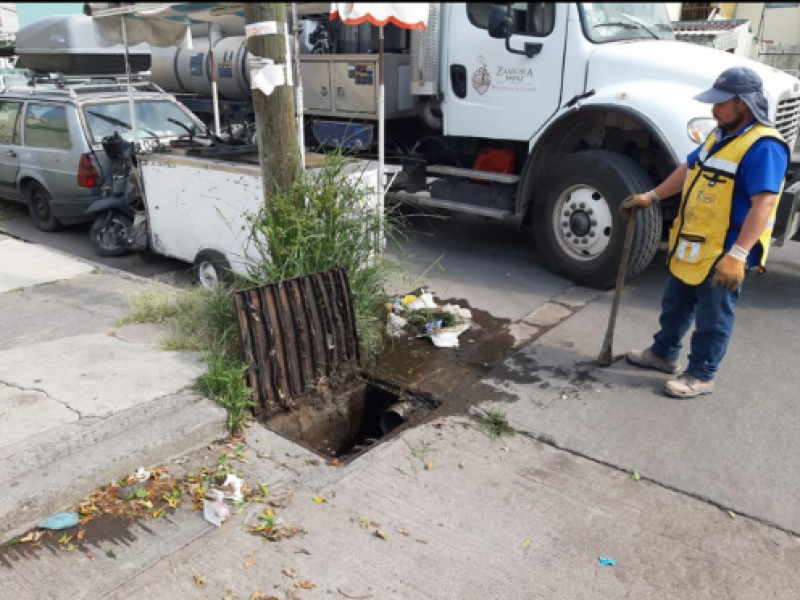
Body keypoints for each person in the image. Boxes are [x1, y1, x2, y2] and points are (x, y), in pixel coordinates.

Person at [620, 66, 790, 399]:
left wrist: (738, 256)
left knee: (713, 317)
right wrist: (651, 196)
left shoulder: (764, 146)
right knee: (675, 304)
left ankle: (701, 375)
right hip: (694, 240)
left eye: (721, 102)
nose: (713, 109)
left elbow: (765, 204)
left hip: (726, 248)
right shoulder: (720, 133)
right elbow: (689, 169)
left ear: (743, 103)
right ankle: (663, 354)